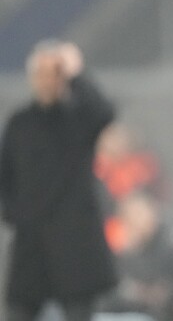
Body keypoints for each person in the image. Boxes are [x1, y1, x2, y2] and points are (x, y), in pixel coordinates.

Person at [0, 40, 118, 321]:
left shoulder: (77, 118)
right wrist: (13, 213)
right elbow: (5, 175)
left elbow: (104, 112)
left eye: (54, 73)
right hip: (32, 240)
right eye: (41, 73)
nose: (47, 81)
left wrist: (77, 72)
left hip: (74, 243)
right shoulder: (20, 123)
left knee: (78, 313)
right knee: (18, 312)